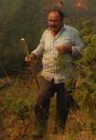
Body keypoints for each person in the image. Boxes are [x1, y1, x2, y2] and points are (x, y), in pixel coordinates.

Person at [25, 9, 84, 138]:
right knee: (41, 99)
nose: (52, 23)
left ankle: (59, 132)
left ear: (62, 21)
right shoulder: (46, 33)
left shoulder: (72, 32)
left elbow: (81, 50)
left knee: (63, 106)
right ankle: (41, 129)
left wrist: (68, 49)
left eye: (55, 21)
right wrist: (33, 55)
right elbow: (40, 47)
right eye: (50, 21)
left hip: (66, 76)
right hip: (47, 74)